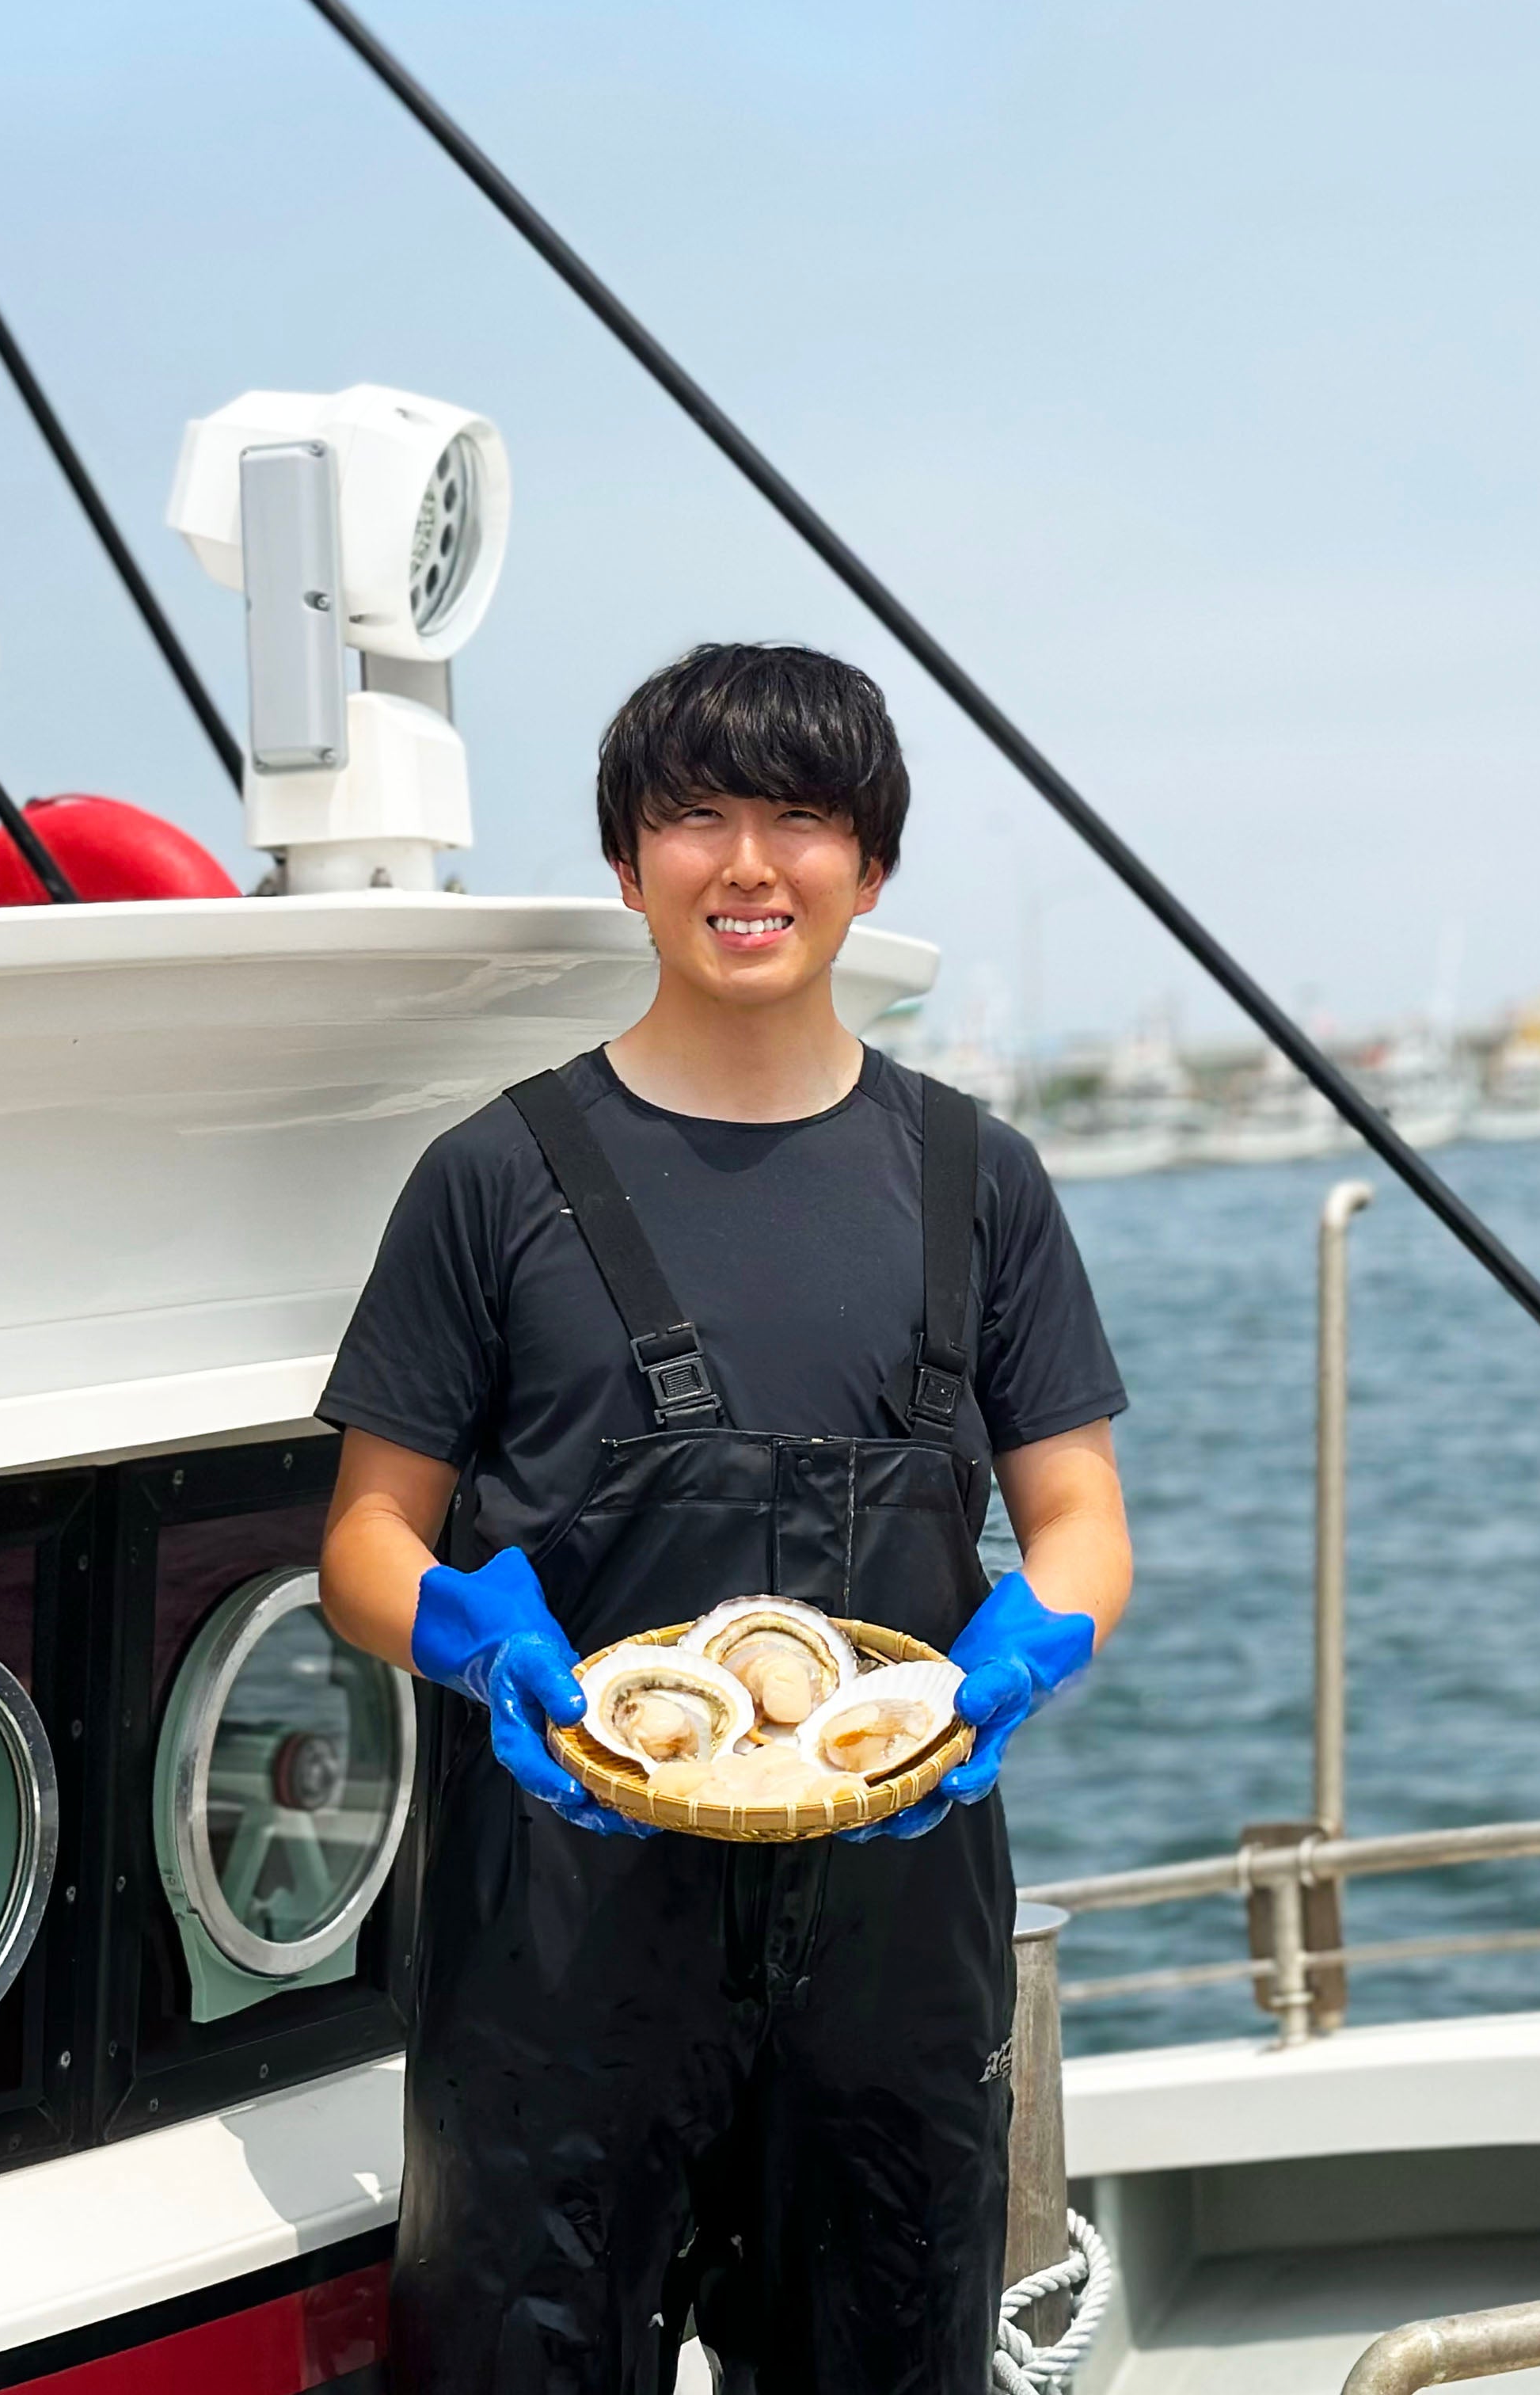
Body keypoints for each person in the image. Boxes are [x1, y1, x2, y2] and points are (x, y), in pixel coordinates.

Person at [317, 642, 1131, 2394]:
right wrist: (468, 1635)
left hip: (895, 1921)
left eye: (801, 821)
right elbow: (366, 1541)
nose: (748, 865)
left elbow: (1080, 1519)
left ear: (871, 867)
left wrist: (1026, 1646)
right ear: (628, 864)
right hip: (561, 1918)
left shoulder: (977, 1179)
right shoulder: (493, 1174)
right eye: (696, 819)